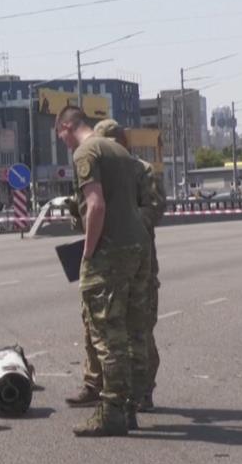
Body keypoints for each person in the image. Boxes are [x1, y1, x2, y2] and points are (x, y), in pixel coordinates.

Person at [55, 106, 151, 437]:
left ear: (68, 126)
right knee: (131, 330)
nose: (63, 143)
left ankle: (111, 412)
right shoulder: (120, 151)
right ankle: (129, 407)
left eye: (61, 135)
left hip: (111, 250)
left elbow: (95, 205)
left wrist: (88, 251)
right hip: (139, 246)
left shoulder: (86, 151)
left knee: (107, 335)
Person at [67, 120, 167, 412]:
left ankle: (141, 389)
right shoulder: (100, 168)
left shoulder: (141, 169)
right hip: (103, 251)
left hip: (135, 257)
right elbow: (86, 210)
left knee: (138, 326)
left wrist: (126, 222)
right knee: (95, 323)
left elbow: (154, 207)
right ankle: (94, 383)